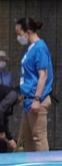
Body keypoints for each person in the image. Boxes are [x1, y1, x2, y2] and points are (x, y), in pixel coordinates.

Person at [15, 17, 53, 151]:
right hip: (28, 100)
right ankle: (28, 165)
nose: (18, 37)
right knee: (24, 139)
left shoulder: (40, 48)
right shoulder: (31, 48)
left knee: (38, 137)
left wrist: (37, 98)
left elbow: (43, 75)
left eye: (19, 34)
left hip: (36, 100)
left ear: (28, 31)